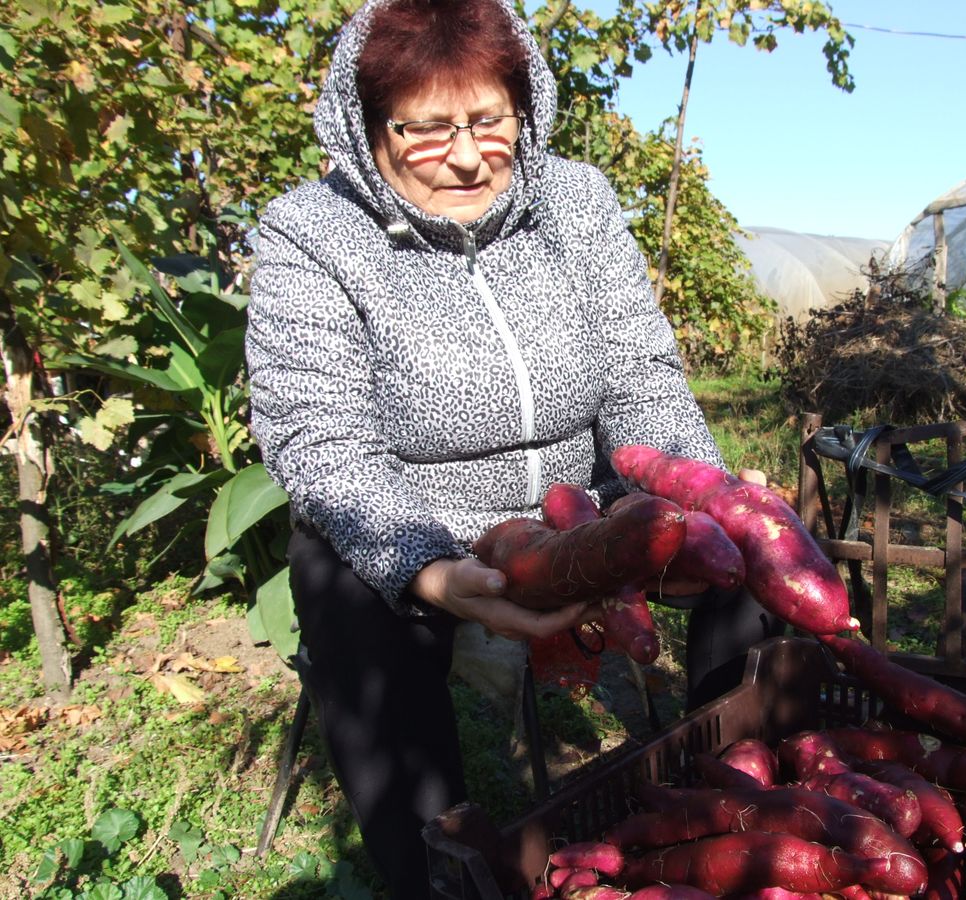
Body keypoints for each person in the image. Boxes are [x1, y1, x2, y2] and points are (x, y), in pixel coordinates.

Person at [245, 0, 783, 894]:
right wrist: (430, 570)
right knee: (339, 581)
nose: (463, 155)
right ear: (366, 124)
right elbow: (321, 440)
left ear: (522, 109)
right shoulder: (311, 233)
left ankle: (735, 798)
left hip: (582, 504)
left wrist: (703, 492)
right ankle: (436, 868)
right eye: (424, 130)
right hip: (429, 523)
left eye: (488, 120)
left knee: (739, 541)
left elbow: (639, 375)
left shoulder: (574, 203)